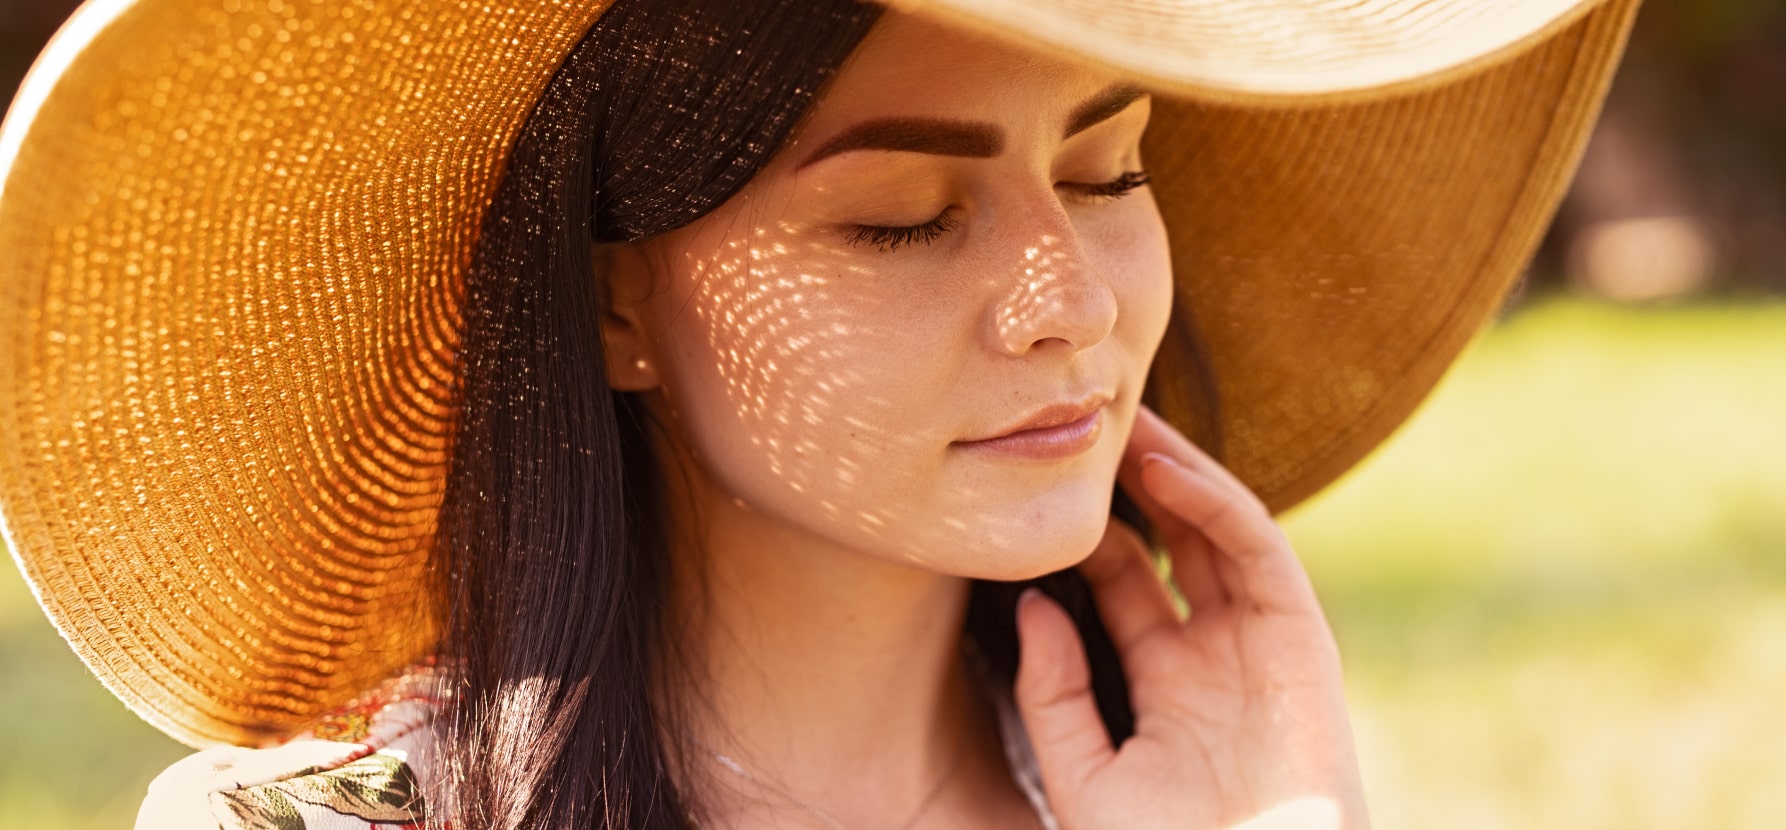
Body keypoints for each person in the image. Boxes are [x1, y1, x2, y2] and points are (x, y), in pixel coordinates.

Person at [0, 0, 1640, 828]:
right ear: (614, 300)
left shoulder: (1203, 799)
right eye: (900, 218)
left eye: (1106, 168)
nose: (1064, 299)